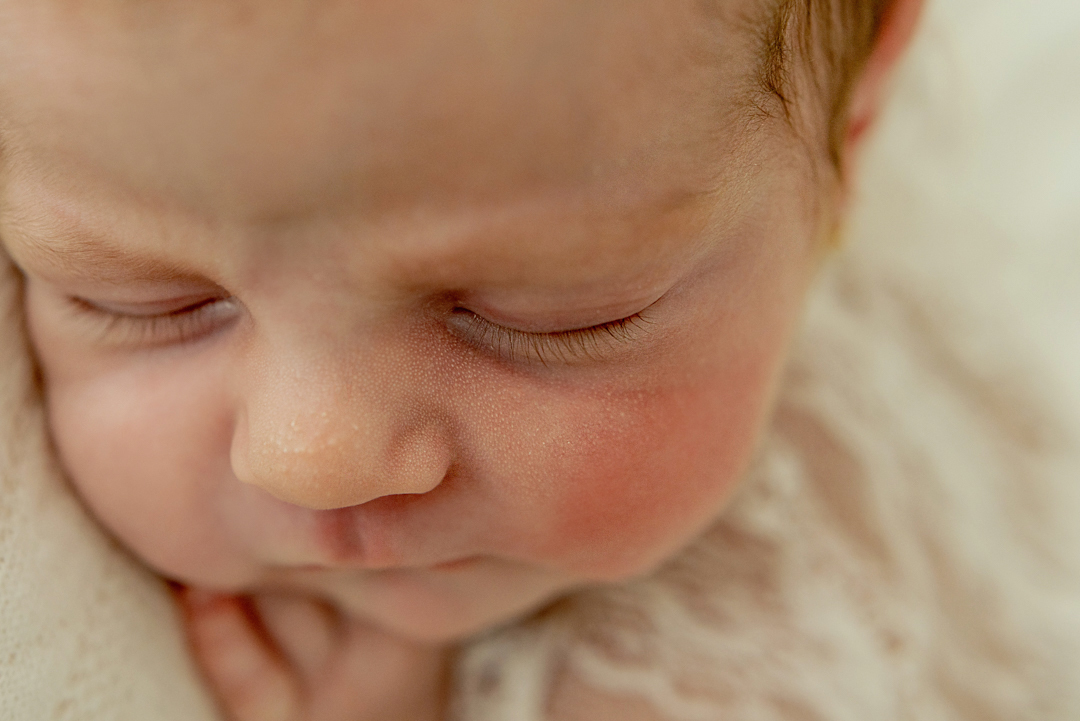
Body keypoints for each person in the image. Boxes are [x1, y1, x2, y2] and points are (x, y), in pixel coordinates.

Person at [0, 0, 977, 718]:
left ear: (853, 118)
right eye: (138, 298)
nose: (313, 458)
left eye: (545, 316)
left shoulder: (799, 651)